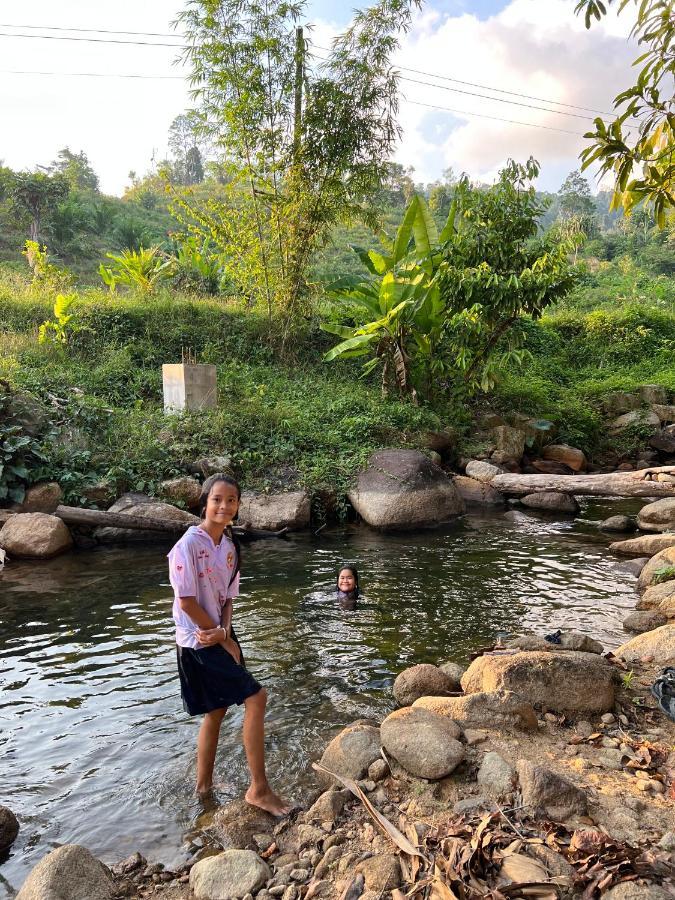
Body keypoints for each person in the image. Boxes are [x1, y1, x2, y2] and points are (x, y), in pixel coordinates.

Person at [168, 473, 289, 815]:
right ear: (204, 503)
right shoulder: (187, 546)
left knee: (218, 710)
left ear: (237, 506)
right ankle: (259, 789)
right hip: (196, 640)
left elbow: (227, 598)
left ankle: (203, 787)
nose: (224, 506)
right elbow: (188, 601)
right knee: (256, 697)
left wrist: (226, 632)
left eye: (231, 500)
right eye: (217, 499)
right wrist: (219, 637)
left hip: (219, 632)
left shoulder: (230, 546)